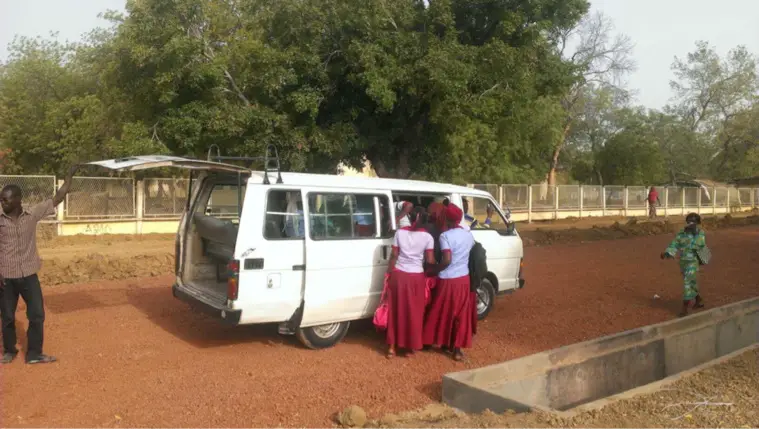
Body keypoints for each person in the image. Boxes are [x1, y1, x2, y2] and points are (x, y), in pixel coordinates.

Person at [1, 164, 79, 364]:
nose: (2, 203)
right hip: (6, 278)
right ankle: (9, 350)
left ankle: (34, 354)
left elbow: (58, 197)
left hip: (28, 274)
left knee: (37, 314)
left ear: (17, 200)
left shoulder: (32, 215)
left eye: (6, 199)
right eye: (2, 199)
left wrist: (68, 176)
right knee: (8, 317)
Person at [422, 202, 476, 361]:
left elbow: (447, 259)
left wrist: (434, 269)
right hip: (463, 279)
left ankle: (429, 340)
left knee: (440, 310)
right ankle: (457, 349)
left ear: (447, 219)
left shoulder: (445, 236)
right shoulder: (468, 235)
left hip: (448, 279)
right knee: (460, 313)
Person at [385, 207, 436, 358]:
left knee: (395, 310)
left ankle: (391, 348)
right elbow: (430, 260)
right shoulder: (428, 238)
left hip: (399, 275)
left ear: (409, 216)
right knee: (414, 312)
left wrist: (389, 273)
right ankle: (409, 347)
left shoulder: (400, 233)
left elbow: (394, 255)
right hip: (416, 277)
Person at [661, 212, 707, 318]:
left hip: (693, 263)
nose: (691, 223)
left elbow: (700, 245)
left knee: (687, 284)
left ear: (697, 223)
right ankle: (699, 300)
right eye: (689, 221)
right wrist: (667, 253)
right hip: (683, 263)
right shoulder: (682, 233)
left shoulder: (700, 233)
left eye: (693, 222)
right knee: (691, 283)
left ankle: (684, 309)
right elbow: (675, 244)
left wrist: (693, 233)